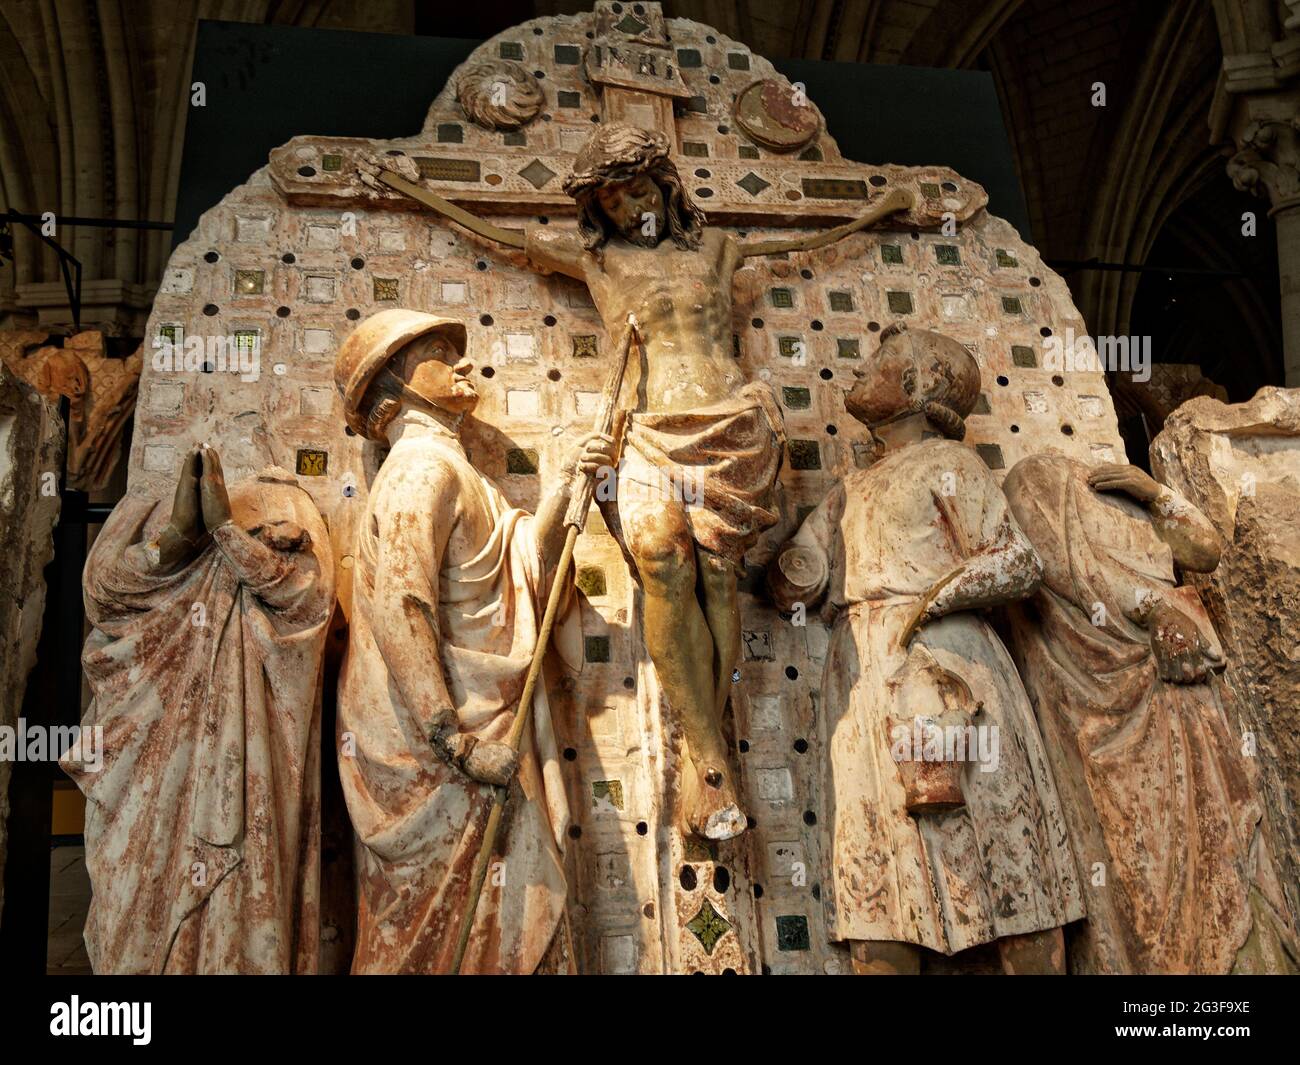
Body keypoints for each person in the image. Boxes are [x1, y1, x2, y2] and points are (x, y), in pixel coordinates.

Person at [367, 122, 913, 839]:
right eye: (612, 202)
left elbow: (807, 238)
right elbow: (493, 233)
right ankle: (712, 759)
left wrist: (881, 207)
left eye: (638, 190)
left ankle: (703, 755)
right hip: (649, 429)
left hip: (728, 426)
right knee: (660, 556)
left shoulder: (720, 249)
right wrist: (412, 189)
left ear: (666, 184)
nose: (629, 209)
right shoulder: (601, 265)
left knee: (719, 583)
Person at [768, 324, 1083, 974]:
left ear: (919, 386)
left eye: (879, 359)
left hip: (952, 670)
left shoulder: (950, 464)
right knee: (881, 894)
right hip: (866, 685)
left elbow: (1017, 562)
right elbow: (793, 582)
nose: (858, 369)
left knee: (1003, 871)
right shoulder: (849, 490)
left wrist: (932, 600)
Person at [334, 309, 614, 973]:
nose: (463, 364)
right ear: (394, 389)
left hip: (484, 738)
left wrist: (569, 482)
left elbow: (528, 578)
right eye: (437, 353)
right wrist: (452, 740)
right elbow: (404, 607)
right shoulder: (417, 472)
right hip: (446, 754)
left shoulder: (459, 475)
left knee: (507, 923)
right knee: (438, 935)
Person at [1003, 454, 1299, 973]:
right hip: (1105, 695)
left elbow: (1206, 552)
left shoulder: (1127, 490)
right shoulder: (1036, 476)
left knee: (1226, 842)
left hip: (1183, 685)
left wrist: (1157, 494)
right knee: (1142, 869)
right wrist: (1154, 609)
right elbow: (1067, 573)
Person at [62, 448, 333, 973]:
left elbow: (308, 600)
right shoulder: (143, 499)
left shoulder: (289, 502)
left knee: (236, 887)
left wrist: (227, 531)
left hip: (244, 742)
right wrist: (180, 535)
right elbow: (103, 596)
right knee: (131, 884)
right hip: (147, 736)